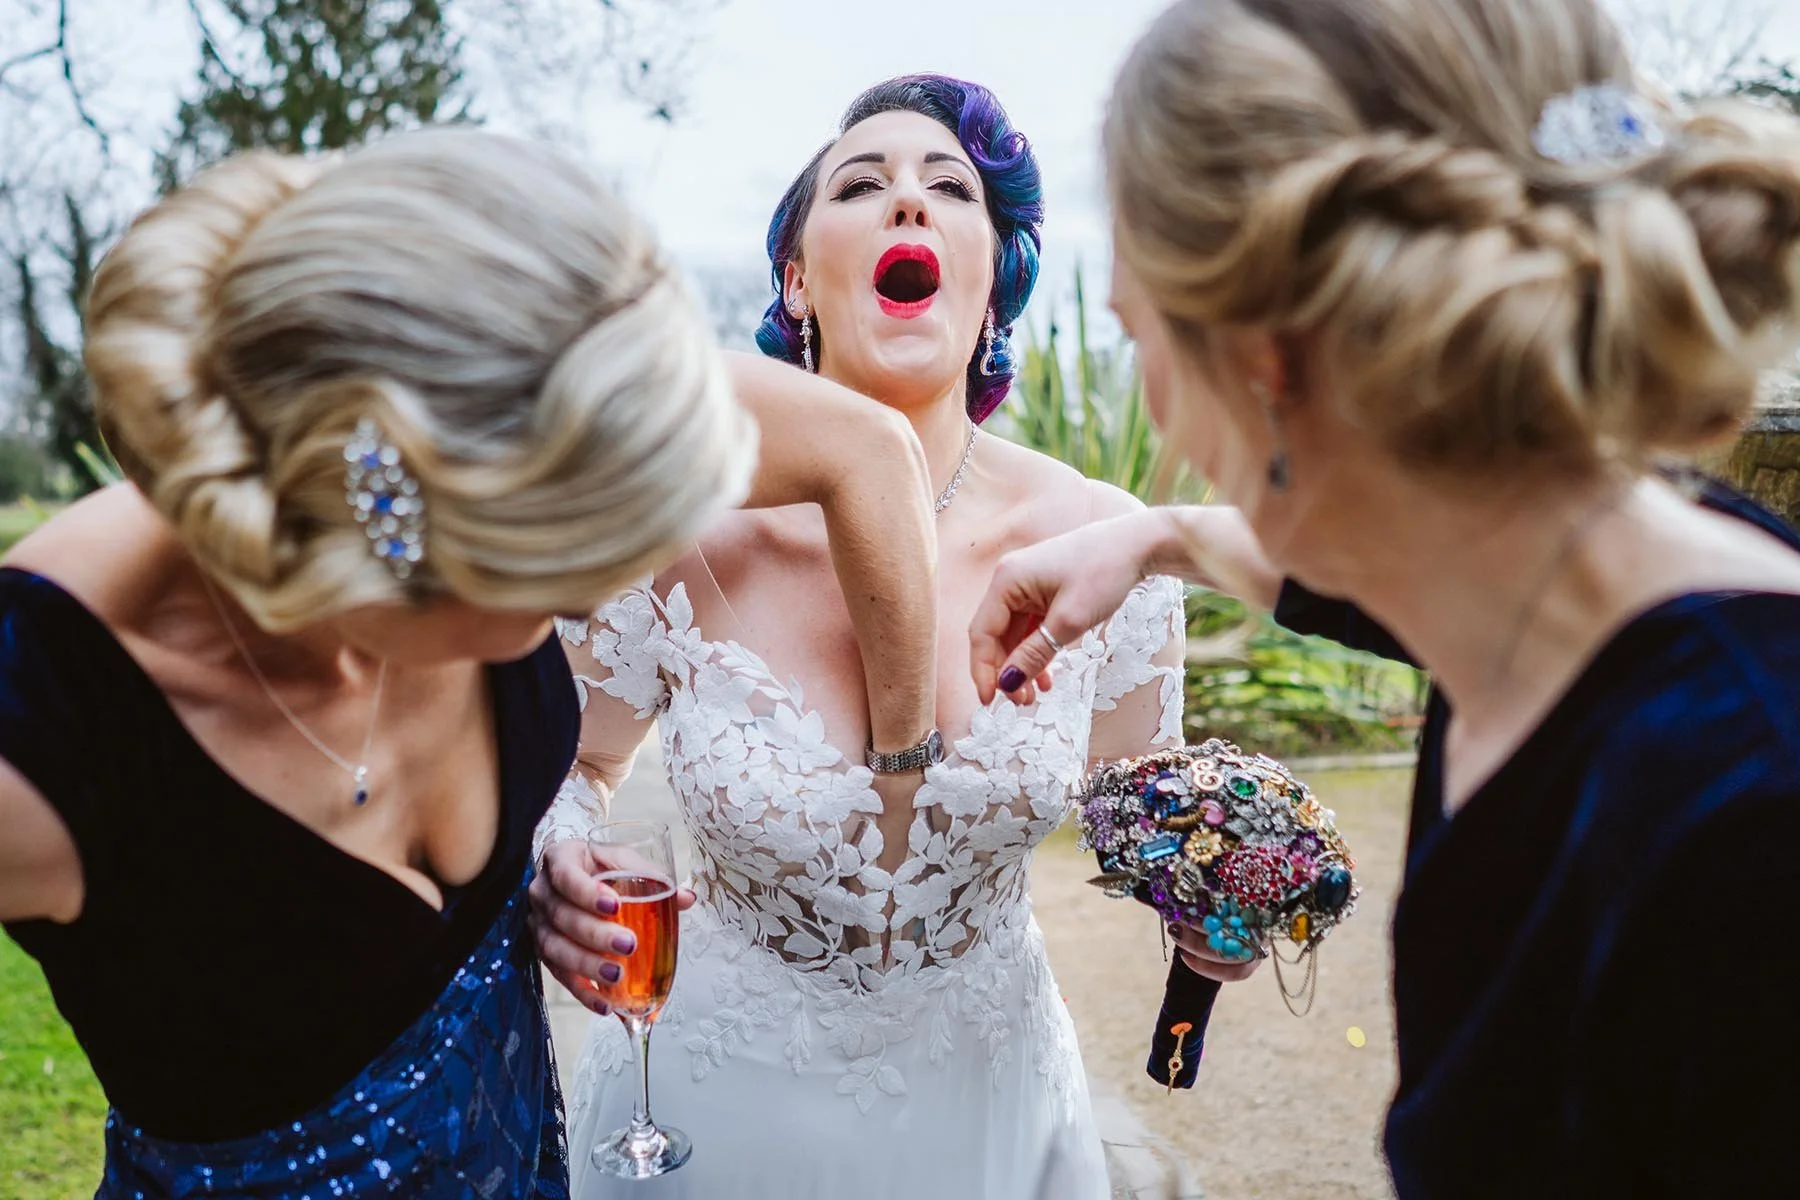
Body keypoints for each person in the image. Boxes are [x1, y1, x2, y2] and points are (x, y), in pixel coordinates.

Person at [0, 127, 941, 1198]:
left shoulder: (575, 384)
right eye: (559, 582)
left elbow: (871, 448)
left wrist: (537, 874)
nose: (582, 612)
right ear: (408, 532)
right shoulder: (48, 732)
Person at [968, 1, 1800, 1194]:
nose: (1158, 410)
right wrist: (1152, 537)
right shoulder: (1552, 598)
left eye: (1138, 335)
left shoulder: (1748, 817)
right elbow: (1350, 575)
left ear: (1266, 360)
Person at [531, 75, 1246, 1200]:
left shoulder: (1105, 547)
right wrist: (561, 859)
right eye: (861, 185)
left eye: (950, 188)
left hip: (994, 1120)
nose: (909, 200)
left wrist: (1209, 903)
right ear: (797, 281)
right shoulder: (679, 534)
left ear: (993, 282)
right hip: (710, 1123)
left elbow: (1147, 826)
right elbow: (572, 769)